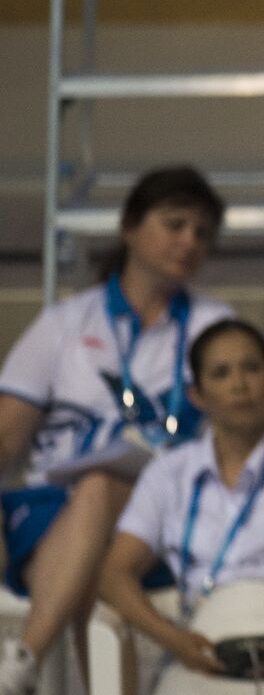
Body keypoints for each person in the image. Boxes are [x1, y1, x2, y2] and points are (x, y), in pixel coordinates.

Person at [0, 165, 232, 694]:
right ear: (129, 226)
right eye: (175, 225)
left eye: (201, 234)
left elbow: (239, 429)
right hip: (50, 509)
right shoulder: (65, 323)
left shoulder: (213, 326)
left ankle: (21, 660)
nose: (189, 242)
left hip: (163, 515)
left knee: (105, 487)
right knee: (98, 556)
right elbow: (8, 436)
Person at [100, 318, 264, 694]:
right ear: (197, 395)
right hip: (203, 645)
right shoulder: (168, 473)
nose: (239, 385)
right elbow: (114, 574)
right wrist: (174, 640)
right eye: (221, 373)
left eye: (251, 368)